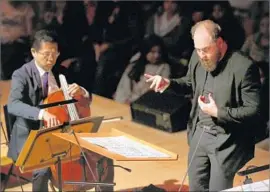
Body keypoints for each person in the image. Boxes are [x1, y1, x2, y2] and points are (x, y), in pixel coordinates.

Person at [145, 20, 261, 191]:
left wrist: (218, 112)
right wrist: (168, 83)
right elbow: (190, 83)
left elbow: (254, 110)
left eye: (206, 50)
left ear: (220, 43)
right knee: (196, 186)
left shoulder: (244, 67)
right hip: (199, 132)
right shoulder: (197, 56)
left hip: (226, 140)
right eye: (198, 50)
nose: (201, 55)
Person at [7, 29, 91, 191]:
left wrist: (82, 92)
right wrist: (42, 113)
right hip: (31, 136)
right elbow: (14, 104)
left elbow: (85, 101)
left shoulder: (62, 72)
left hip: (61, 133)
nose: (51, 59)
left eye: (55, 53)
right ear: (33, 52)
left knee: (100, 159)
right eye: (46, 54)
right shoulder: (21, 75)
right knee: (43, 169)